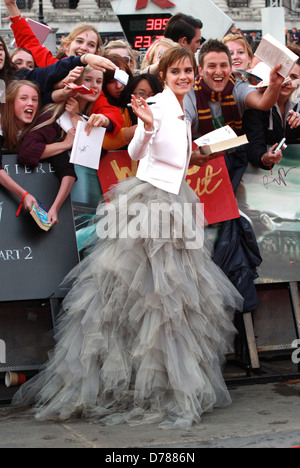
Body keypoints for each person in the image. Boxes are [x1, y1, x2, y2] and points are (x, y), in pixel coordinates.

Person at [12, 47, 243, 430]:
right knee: (138, 297)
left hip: (175, 203)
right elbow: (135, 150)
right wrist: (147, 126)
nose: (184, 76)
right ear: (165, 74)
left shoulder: (181, 108)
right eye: (176, 71)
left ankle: (166, 383)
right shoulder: (156, 104)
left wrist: (195, 152)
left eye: (188, 70)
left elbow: (175, 159)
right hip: (149, 204)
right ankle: (133, 386)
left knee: (172, 300)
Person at [3, 0, 123, 137]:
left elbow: (110, 112)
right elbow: (29, 41)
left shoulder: (94, 83)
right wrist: (11, 6)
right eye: (79, 41)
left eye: (90, 45)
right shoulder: (52, 65)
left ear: (95, 53)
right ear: (67, 46)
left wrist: (105, 120)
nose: (84, 47)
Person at [0, 80, 39, 215]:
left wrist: (66, 144)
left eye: (35, 99)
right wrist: (24, 195)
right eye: (23, 98)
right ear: (10, 102)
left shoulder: (39, 127)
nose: (30, 103)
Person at [102, 73, 163, 151]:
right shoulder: (122, 113)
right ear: (130, 95)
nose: (146, 99)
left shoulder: (163, 115)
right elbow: (106, 143)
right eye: (141, 93)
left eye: (152, 95)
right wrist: (140, 128)